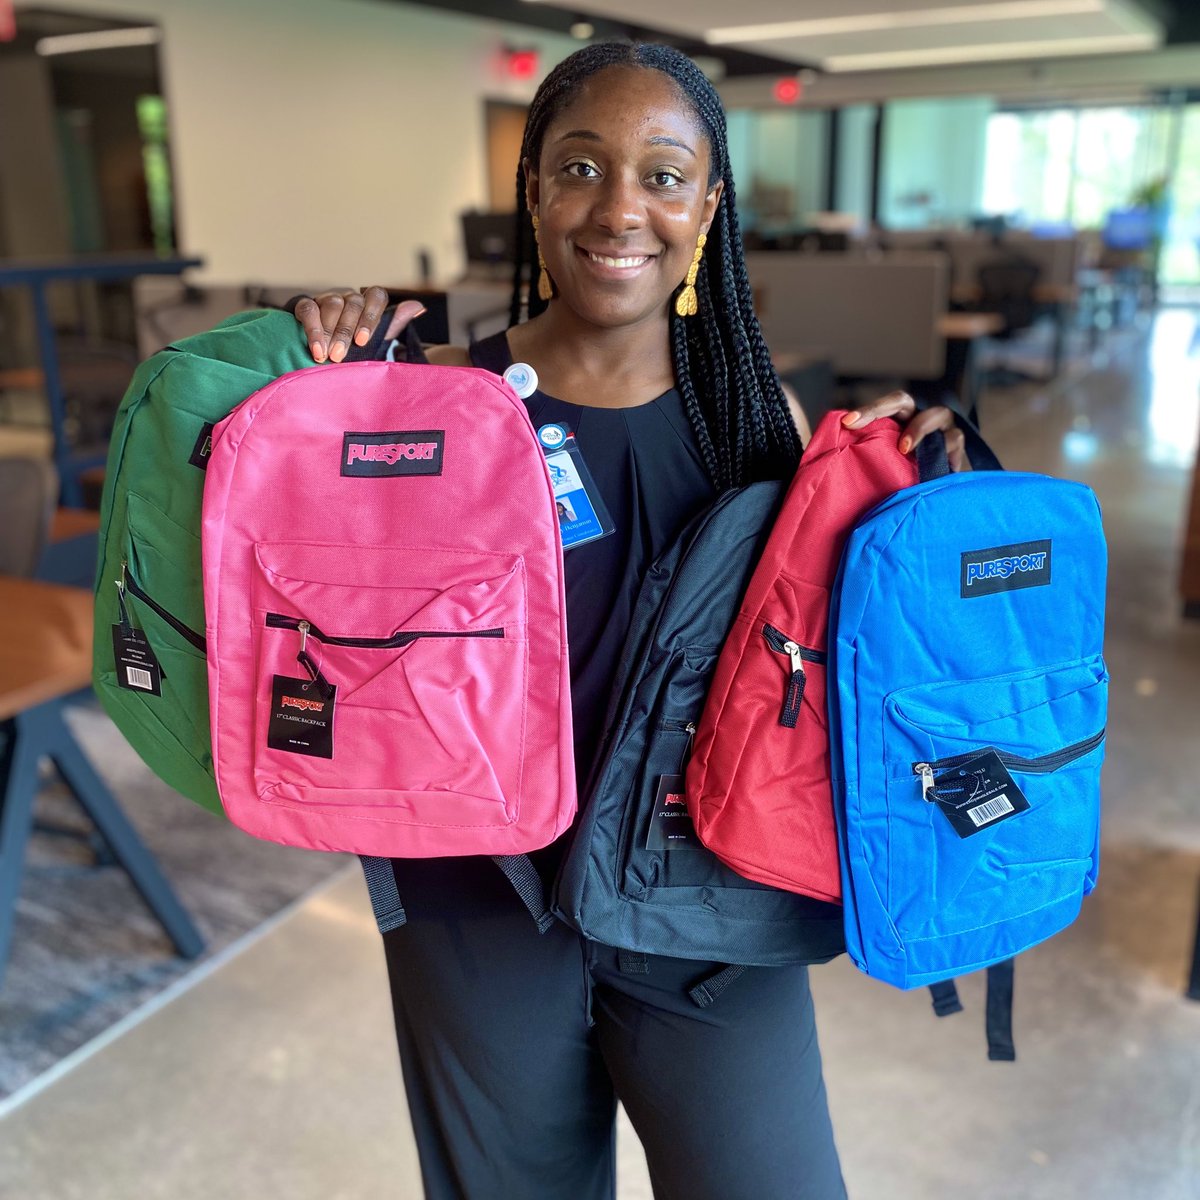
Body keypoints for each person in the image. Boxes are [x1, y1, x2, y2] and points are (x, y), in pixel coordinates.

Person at [292, 41, 966, 1200]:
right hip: (477, 905)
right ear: (536, 192)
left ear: (708, 207)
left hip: (707, 907)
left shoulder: (760, 421)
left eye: (663, 175)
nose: (620, 208)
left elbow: (832, 674)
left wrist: (910, 501)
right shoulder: (438, 397)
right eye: (581, 167)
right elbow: (307, 596)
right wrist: (311, 372)